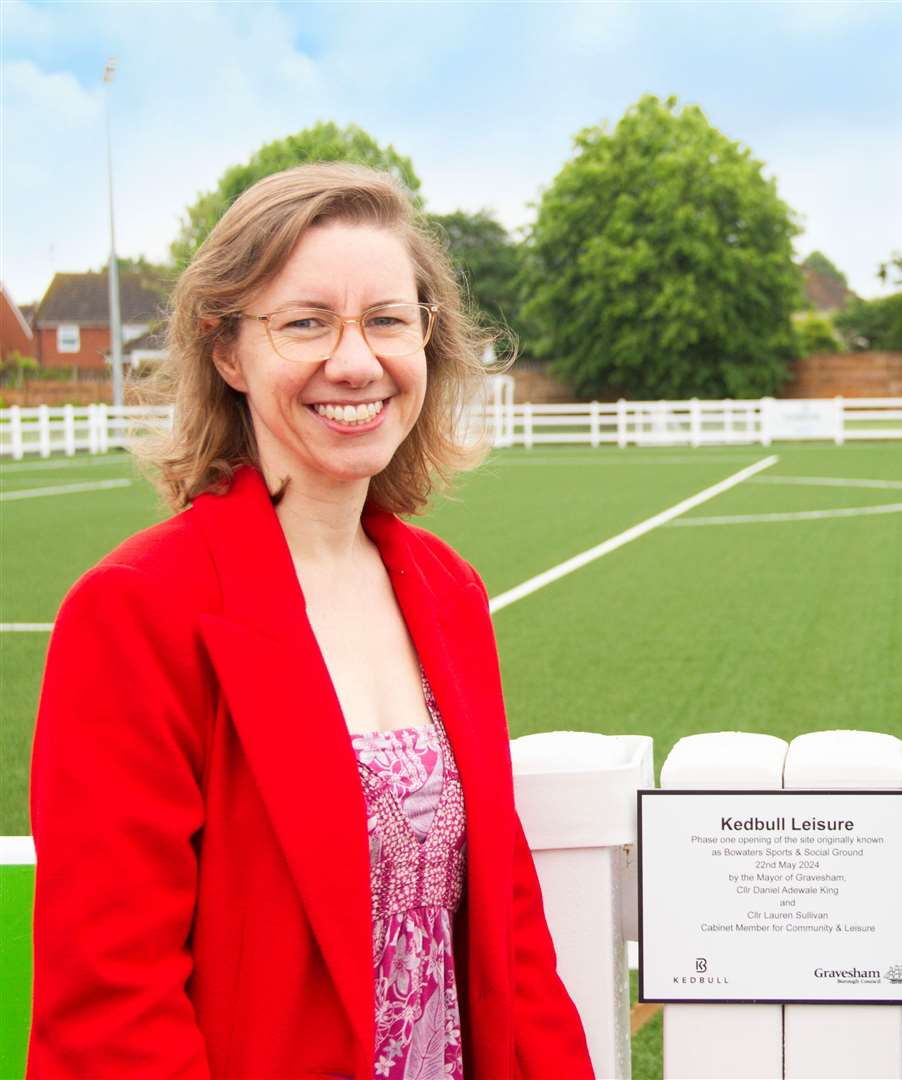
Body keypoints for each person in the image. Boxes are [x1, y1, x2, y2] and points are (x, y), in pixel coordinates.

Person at [29, 163, 594, 1078]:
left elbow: (508, 930)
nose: (355, 361)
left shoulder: (447, 592)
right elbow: (111, 1005)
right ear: (227, 354)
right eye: (304, 323)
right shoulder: (138, 608)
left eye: (386, 319)